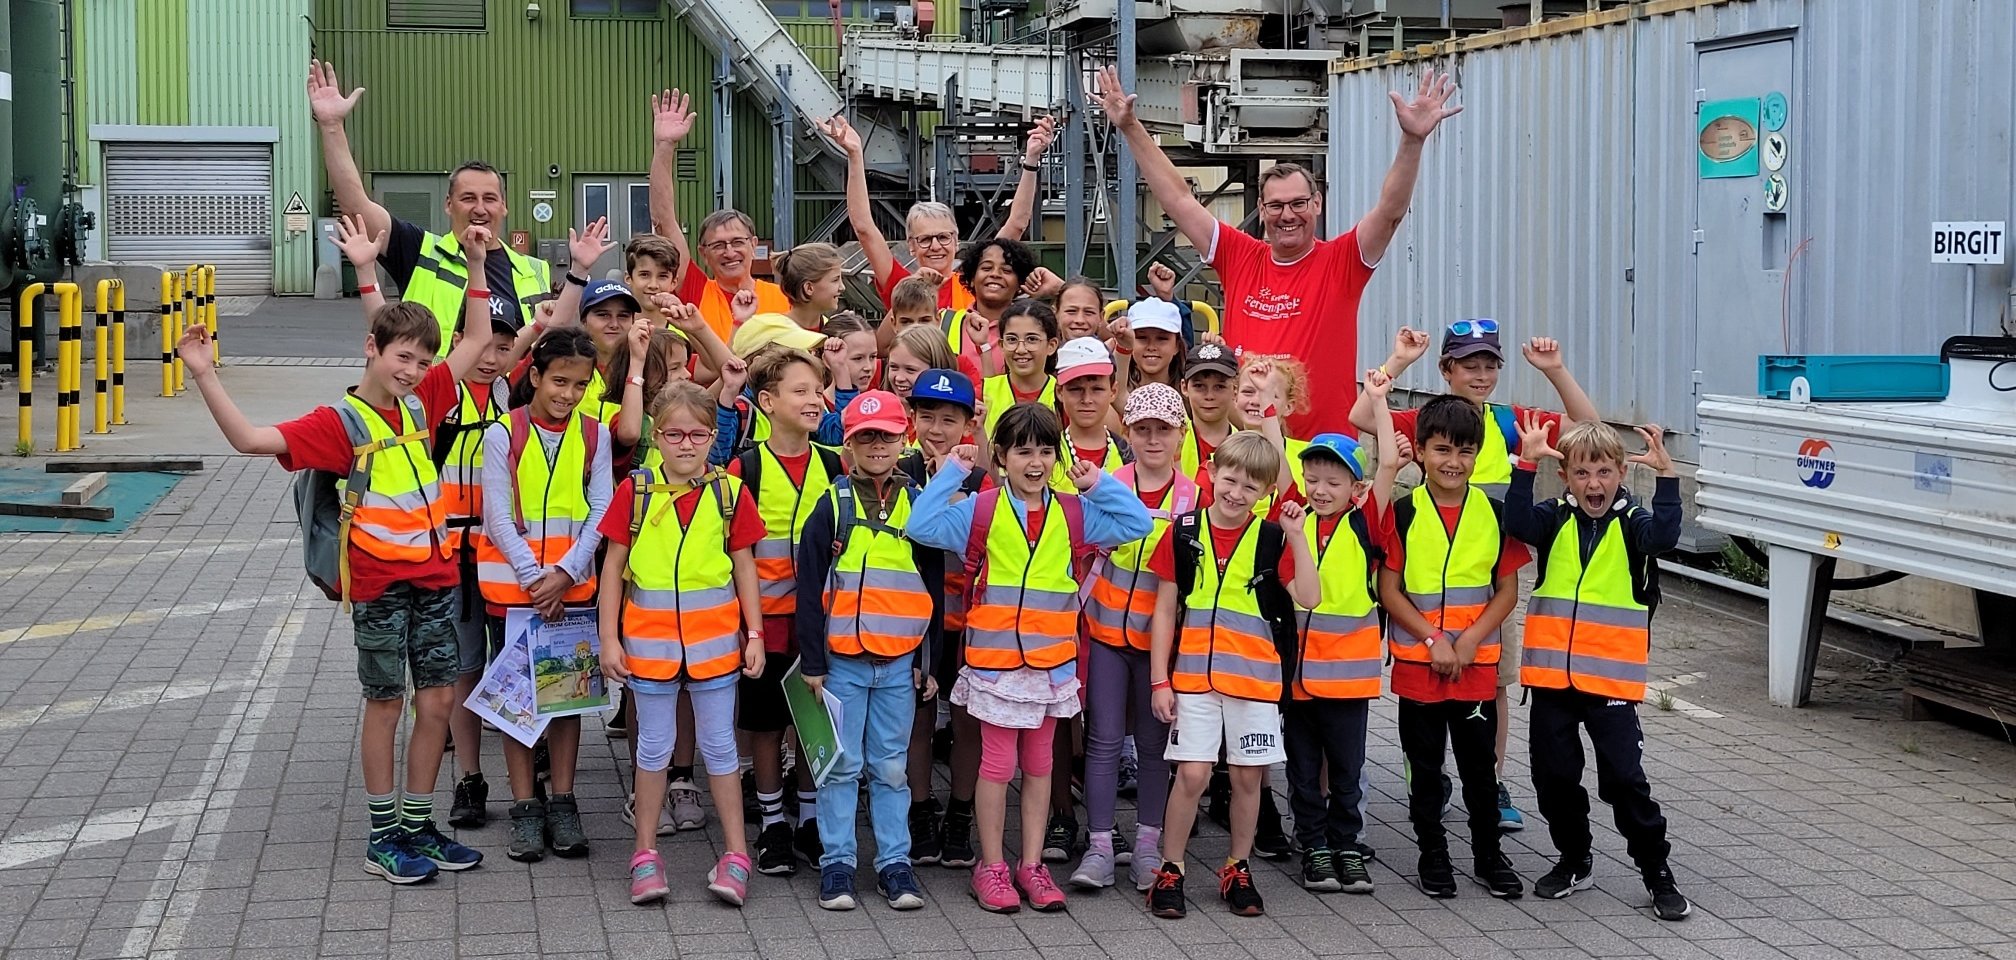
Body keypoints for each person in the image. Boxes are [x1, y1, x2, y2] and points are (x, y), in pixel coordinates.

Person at [176, 224, 509, 884]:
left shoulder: (423, 404)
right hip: (380, 586)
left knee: (438, 705)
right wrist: (204, 374)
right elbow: (248, 439)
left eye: (420, 359)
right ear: (372, 348)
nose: (411, 369)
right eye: (402, 356)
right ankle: (383, 835)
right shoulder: (337, 423)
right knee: (387, 704)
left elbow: (474, 340)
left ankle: (418, 824)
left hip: (437, 577)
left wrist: (476, 264)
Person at [1094, 65, 1462, 436]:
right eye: (1275, 206)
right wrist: (1130, 127)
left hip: (1321, 453)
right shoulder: (1240, 255)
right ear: (1263, 211)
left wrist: (1412, 142)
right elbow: (1177, 198)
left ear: (1317, 203)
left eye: (1298, 203)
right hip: (1246, 449)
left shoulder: (1342, 260)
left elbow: (1390, 212)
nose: (1287, 215)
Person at [1353, 321, 1602, 831]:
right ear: (1446, 370)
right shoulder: (1428, 420)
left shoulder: (1513, 422)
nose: (1481, 374)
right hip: (1424, 586)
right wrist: (1397, 360)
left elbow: (1588, 425)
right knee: (1423, 700)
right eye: (1469, 364)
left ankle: (1490, 779)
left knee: (1495, 684)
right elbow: (1360, 414)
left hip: (1489, 584)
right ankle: (1430, 778)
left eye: (1490, 364)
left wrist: (1555, 371)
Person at [906, 405, 1153, 914]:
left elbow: (1137, 522)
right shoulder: (980, 509)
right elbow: (920, 523)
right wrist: (953, 468)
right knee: (997, 766)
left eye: (1045, 450)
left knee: (1040, 765)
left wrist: (1097, 481)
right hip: (996, 668)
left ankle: (1032, 864)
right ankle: (992, 866)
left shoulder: (1075, 512)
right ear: (1002, 455)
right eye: (1022, 450)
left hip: (1050, 668)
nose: (1035, 462)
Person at [333, 213, 527, 832]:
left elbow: (486, 341)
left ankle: (509, 787)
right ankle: (460, 784)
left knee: (471, 679)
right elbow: (389, 346)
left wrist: (481, 270)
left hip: (489, 556)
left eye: (506, 346)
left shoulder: (502, 391)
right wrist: (367, 271)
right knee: (445, 678)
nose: (494, 353)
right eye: (486, 343)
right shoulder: (427, 398)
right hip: (431, 563)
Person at [1504, 415, 1692, 922]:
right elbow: (1517, 524)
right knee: (1554, 777)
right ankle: (1574, 859)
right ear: (1566, 476)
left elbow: (1666, 537)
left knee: (1624, 782)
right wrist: (1525, 464)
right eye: (1583, 474)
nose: (1595, 484)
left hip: (1609, 682)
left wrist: (1668, 477)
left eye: (1605, 473)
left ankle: (1657, 872)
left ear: (1620, 476)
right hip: (1551, 682)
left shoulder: (1633, 524)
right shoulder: (1554, 517)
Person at [597, 380, 767, 907]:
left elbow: (745, 570)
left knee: (719, 748)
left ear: (713, 437)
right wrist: (608, 639)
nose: (686, 444)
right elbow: (612, 571)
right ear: (655, 435)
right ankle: (644, 855)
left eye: (698, 434)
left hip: (716, 647)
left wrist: (755, 634)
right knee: (653, 748)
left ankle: (736, 856)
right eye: (674, 434)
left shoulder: (729, 492)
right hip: (649, 649)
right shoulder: (637, 491)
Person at [1143, 432, 1320, 920]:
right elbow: (1163, 611)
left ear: (1265, 493)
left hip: (1255, 681)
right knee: (1193, 774)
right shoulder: (1182, 532)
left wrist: (1300, 537)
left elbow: (1310, 596)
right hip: (1194, 679)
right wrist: (1160, 680)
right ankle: (1171, 869)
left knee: (1247, 778)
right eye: (1230, 478)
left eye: (1250, 486)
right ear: (1212, 472)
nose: (1236, 492)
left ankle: (1237, 867)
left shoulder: (1272, 539)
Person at [794, 390, 946, 911]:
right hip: (842, 665)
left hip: (900, 664)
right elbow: (808, 585)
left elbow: (934, 586)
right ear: (849, 446)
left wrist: (930, 663)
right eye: (865, 437)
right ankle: (838, 864)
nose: (877, 445)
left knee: (890, 767)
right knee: (840, 765)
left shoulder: (920, 503)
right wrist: (812, 662)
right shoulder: (831, 505)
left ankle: (894, 864)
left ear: (903, 438)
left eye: (885, 435)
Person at [1378, 395, 1528, 901]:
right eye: (1442, 449)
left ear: (1478, 454)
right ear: (1420, 451)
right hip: (1421, 663)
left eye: (1465, 452)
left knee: (1479, 771)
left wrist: (1467, 640)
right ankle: (1432, 855)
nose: (1453, 462)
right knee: (1424, 770)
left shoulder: (1496, 513)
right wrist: (1432, 638)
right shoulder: (1403, 512)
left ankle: (1488, 855)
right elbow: (1389, 588)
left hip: (1475, 664)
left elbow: (1506, 589)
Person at [474, 329, 612, 863]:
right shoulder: (502, 435)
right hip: (517, 592)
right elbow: (498, 516)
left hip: (569, 591)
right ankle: (525, 808)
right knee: (518, 702)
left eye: (580, 385)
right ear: (533, 376)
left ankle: (563, 801)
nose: (569, 394)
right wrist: (538, 579)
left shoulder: (594, 437)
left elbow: (601, 511)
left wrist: (567, 573)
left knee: (565, 698)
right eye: (559, 381)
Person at [309, 61, 552, 354]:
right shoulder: (420, 252)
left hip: (505, 399)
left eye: (489, 199)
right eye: (468, 198)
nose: (479, 208)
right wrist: (332, 126)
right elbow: (355, 207)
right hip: (434, 398)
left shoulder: (535, 270)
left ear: (504, 207)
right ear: (448, 205)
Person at [1282, 369, 1403, 896]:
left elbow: (1391, 462)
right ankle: (1313, 847)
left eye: (1334, 482)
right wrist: (1268, 410)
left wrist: (1376, 400)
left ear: (1355, 488)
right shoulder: (1295, 521)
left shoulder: (1365, 521)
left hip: (1350, 680)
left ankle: (1347, 846)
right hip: (1299, 680)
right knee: (1304, 773)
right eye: (1314, 479)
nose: (1321, 489)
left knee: (1347, 773)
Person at [726, 347, 846, 877]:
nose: (814, 399)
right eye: (799, 391)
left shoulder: (836, 463)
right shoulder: (744, 466)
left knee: (812, 724)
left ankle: (810, 820)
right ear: (768, 402)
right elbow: (738, 552)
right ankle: (773, 822)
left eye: (818, 389)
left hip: (820, 625)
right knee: (768, 726)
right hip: (766, 624)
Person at [1077, 382, 1197, 892]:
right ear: (1127, 431)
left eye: (1163, 430)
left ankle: (1149, 844)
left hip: (1162, 647)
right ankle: (1100, 845)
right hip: (1105, 633)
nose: (1152, 439)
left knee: (1153, 747)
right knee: (1103, 743)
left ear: (1180, 435)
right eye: (1143, 429)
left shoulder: (1196, 496)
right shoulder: (1105, 483)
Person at [825, 113, 1057, 325]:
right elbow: (864, 227)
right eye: (925, 240)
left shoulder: (974, 282)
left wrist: (1031, 159)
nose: (935, 246)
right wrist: (855, 156)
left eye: (943, 237)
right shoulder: (900, 282)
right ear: (912, 246)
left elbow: (1016, 224)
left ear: (956, 241)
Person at [896, 369, 988, 869]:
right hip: (916, 622)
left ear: (967, 423)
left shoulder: (982, 479)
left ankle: (960, 812)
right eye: (926, 415)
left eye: (948, 419)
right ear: (912, 418)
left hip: (971, 621)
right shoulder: (902, 470)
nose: (936, 428)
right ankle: (920, 809)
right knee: (919, 720)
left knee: (969, 721)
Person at [649, 89, 792, 341]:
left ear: (754, 244)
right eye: (718, 245)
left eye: (738, 242)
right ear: (703, 253)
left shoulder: (783, 296)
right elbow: (664, 223)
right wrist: (664, 147)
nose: (729, 252)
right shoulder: (697, 290)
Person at [982, 300, 1061, 436]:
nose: (1021, 349)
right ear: (1001, 345)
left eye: (1032, 339)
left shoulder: (1063, 396)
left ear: (1051, 345)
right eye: (1012, 340)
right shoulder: (982, 392)